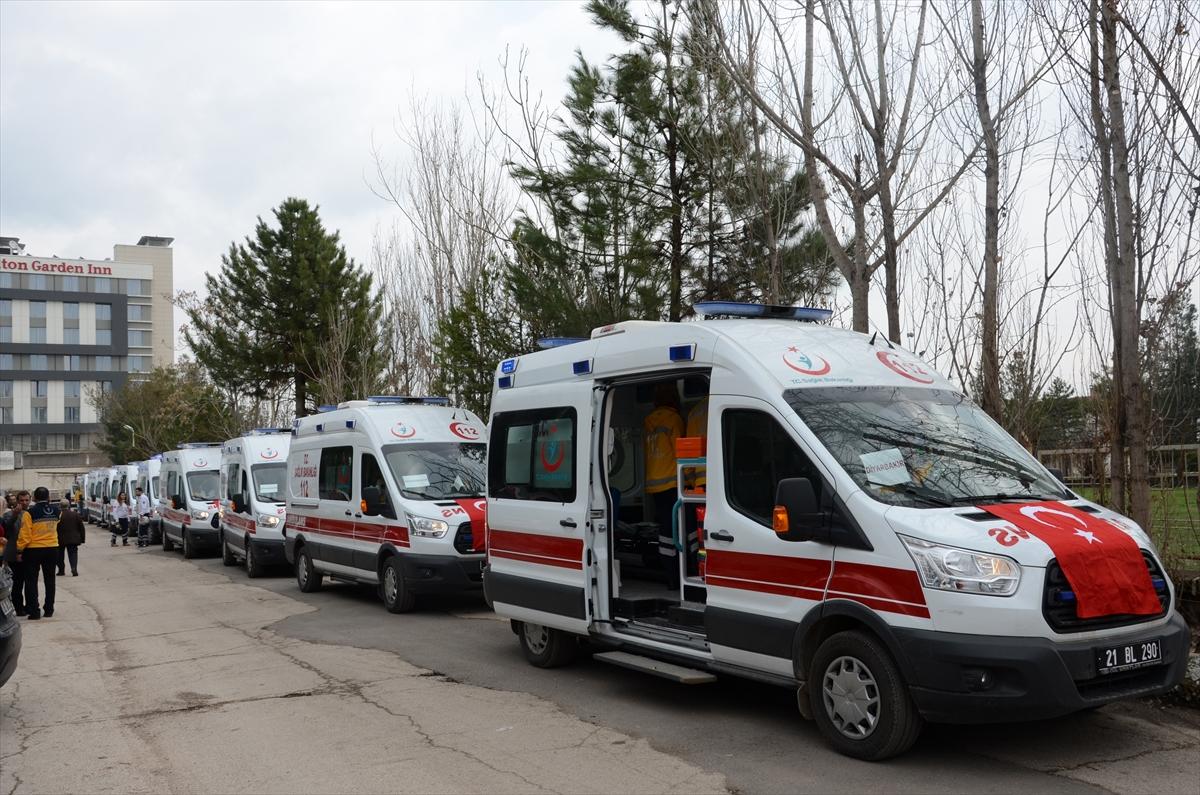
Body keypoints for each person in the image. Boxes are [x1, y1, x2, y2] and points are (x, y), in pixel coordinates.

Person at [644, 383, 684, 590]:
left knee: (665, 532)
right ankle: (680, 576)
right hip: (672, 482)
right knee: (679, 530)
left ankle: (670, 575)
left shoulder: (649, 420)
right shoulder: (674, 418)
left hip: (654, 486)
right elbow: (681, 453)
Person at [16, 486, 60, 620]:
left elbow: (25, 535)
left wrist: (19, 550)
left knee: (31, 581)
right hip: (52, 548)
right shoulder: (57, 511)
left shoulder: (30, 513)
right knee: (50, 579)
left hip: (33, 549)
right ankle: (49, 609)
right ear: (49, 498)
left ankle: (34, 611)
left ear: (34, 498)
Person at [2, 491, 30, 615]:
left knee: (30, 582)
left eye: (26, 500)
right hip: (14, 554)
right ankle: (19, 608)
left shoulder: (31, 513)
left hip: (29, 552)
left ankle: (30, 606)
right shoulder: (9, 514)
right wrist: (15, 514)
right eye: (21, 500)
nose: (24, 503)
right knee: (17, 583)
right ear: (17, 502)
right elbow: (7, 526)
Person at [56, 498, 85, 576]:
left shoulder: (58, 515)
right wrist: (82, 538)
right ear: (69, 505)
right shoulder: (75, 514)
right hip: (73, 538)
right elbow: (81, 527)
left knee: (59, 555)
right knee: (73, 554)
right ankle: (74, 568)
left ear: (60, 506)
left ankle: (61, 570)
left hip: (60, 539)